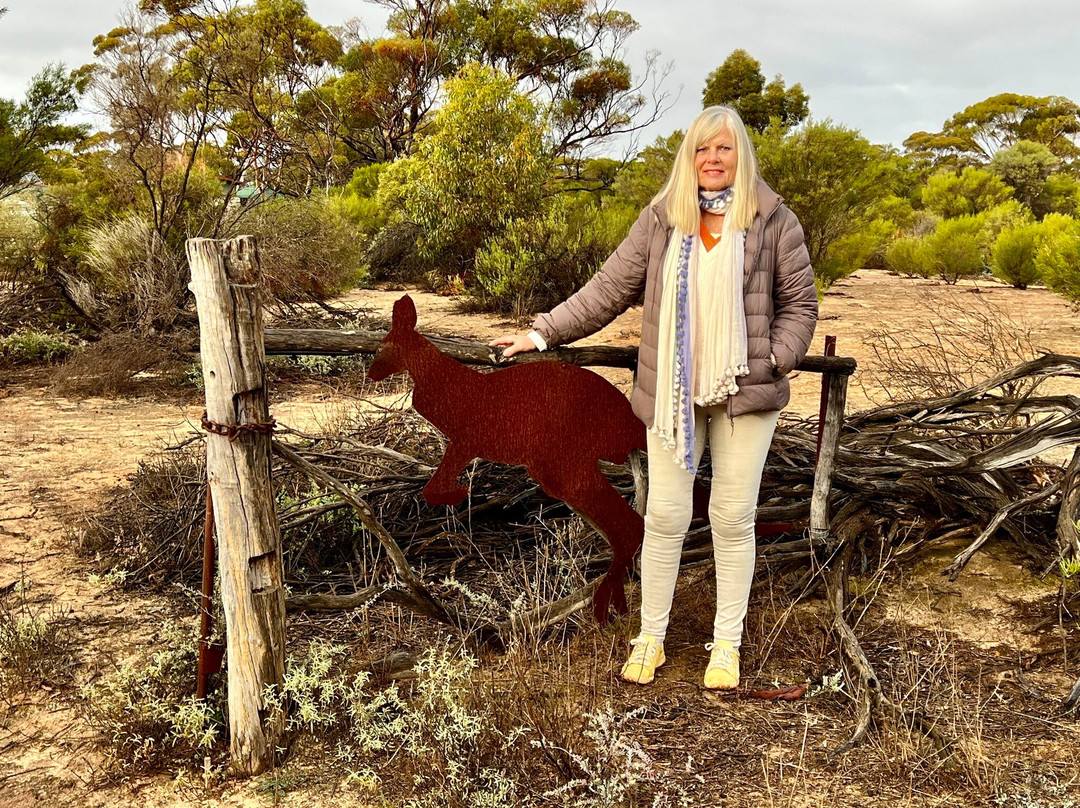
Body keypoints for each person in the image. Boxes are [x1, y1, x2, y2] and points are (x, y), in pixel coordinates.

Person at [490, 105, 817, 689]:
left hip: (746, 391)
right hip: (671, 392)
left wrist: (774, 357)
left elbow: (801, 307)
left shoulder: (773, 222)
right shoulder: (664, 218)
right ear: (688, 157)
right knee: (664, 516)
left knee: (731, 517)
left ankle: (726, 647)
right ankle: (651, 638)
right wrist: (541, 332)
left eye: (723, 149)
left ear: (741, 155)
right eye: (701, 149)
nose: (712, 160)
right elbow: (609, 288)